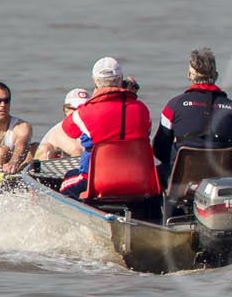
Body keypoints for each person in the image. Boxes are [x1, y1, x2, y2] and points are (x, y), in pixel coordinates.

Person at [62, 57, 161, 205]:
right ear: (121, 80)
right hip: (140, 182)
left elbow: (68, 129)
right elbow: (145, 134)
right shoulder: (142, 109)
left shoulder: (86, 112)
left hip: (97, 184)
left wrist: (95, 97)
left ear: (95, 82)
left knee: (65, 184)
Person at [154, 47, 232, 179]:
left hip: (181, 184)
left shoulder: (173, 106)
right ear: (216, 76)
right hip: (222, 183)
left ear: (189, 75)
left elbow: (160, 150)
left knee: (158, 172)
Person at [35, 89, 91, 161]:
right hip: (49, 162)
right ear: (66, 110)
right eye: (76, 109)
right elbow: (78, 151)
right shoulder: (58, 130)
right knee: (45, 148)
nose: (81, 113)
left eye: (86, 109)